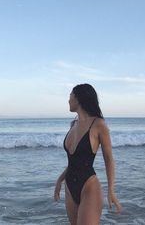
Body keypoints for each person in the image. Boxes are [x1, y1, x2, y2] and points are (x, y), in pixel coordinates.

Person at [54, 83, 122, 225]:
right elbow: (74, 161)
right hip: (69, 187)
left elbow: (108, 159)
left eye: (70, 96)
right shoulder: (73, 124)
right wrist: (60, 179)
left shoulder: (99, 124)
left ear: (78, 99)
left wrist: (111, 190)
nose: (68, 100)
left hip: (89, 186)